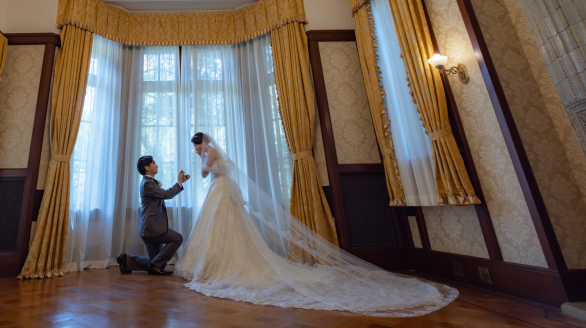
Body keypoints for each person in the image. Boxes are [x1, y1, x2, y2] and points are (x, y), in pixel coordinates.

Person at [173, 132, 458, 317]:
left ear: (200, 143)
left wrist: (201, 162)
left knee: (225, 226)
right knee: (223, 227)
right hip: (222, 189)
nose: (197, 150)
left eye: (196, 146)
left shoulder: (209, 151)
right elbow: (213, 171)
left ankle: (218, 266)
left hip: (222, 189)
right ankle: (213, 264)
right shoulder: (212, 151)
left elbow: (206, 172)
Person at [116, 156, 190, 275]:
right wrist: (179, 182)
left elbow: (164, 194)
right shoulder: (147, 184)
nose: (157, 165)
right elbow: (166, 194)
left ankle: (126, 260)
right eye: (154, 163)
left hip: (149, 228)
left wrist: (180, 183)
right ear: (146, 167)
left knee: (155, 262)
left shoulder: (149, 182)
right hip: (152, 228)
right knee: (177, 238)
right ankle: (154, 266)